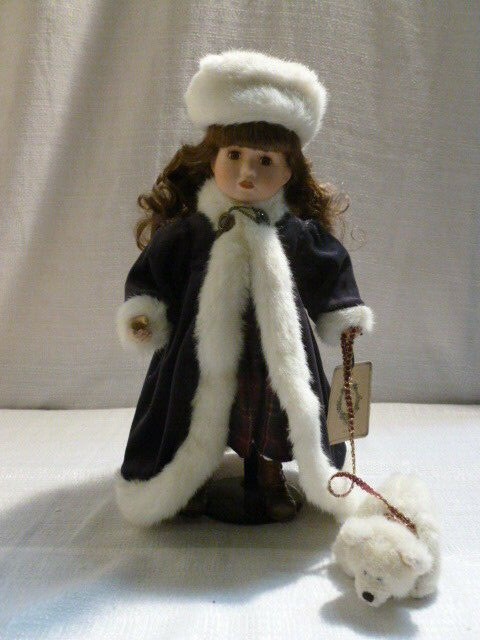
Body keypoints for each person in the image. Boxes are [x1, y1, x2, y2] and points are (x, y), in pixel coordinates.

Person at [115, 50, 374, 526]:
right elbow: (155, 272)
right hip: (196, 349)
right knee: (186, 407)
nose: (247, 173)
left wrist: (343, 316)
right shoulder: (191, 231)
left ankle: (268, 474)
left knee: (273, 409)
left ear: (290, 171)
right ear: (211, 158)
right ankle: (188, 478)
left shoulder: (295, 233)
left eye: (265, 160)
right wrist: (144, 315)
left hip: (275, 351)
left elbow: (328, 269)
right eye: (234, 155)